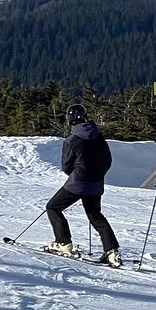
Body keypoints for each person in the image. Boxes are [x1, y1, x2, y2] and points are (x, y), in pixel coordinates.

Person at [44, 104, 119, 265]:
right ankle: (112, 251)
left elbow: (66, 166)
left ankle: (63, 242)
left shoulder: (72, 140)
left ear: (69, 120)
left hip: (78, 182)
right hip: (96, 183)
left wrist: (77, 173)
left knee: (53, 207)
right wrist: (98, 174)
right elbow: (107, 161)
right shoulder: (99, 136)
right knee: (95, 216)